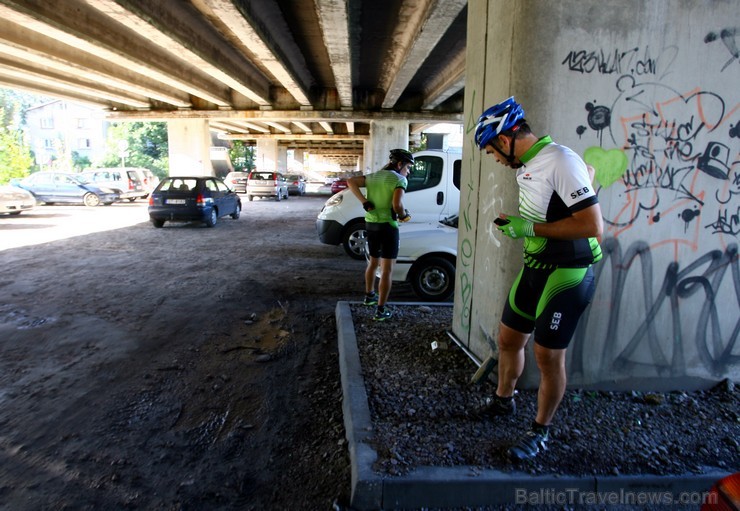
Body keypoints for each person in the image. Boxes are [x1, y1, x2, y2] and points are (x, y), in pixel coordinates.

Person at [474, 97, 603, 460]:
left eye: (491, 149)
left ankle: (540, 430)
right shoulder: (531, 165)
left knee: (547, 355)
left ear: (508, 137)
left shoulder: (559, 158)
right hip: (536, 265)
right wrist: (522, 227)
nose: (494, 158)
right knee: (508, 338)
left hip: (568, 272)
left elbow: (594, 226)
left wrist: (528, 226)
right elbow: (587, 173)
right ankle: (503, 402)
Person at [346, 149, 414, 321]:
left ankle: (369, 296)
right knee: (387, 270)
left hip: (371, 224)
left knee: (373, 262)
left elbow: (351, 181)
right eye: (407, 167)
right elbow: (397, 205)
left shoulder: (373, 176)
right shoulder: (399, 179)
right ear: (399, 165)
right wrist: (403, 215)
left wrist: (364, 201)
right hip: (388, 227)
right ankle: (381, 310)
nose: (408, 171)